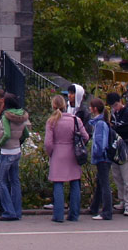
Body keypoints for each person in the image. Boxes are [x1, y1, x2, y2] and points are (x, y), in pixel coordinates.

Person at [45, 94, 89, 222]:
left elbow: (48, 142)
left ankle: (58, 215)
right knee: (75, 182)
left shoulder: (51, 121)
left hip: (58, 153)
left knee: (58, 183)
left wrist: (51, 152)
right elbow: (85, 136)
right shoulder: (75, 120)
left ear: (53, 106)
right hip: (73, 153)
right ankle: (74, 214)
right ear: (65, 106)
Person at [0, 92, 29, 222]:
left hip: (6, 152)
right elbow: (26, 133)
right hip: (16, 150)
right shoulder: (21, 116)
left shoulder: (6, 116)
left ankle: (9, 211)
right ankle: (17, 210)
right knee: (15, 181)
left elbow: (7, 134)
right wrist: (19, 142)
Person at [107, 92, 128, 216]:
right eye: (112, 106)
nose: (114, 108)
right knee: (117, 176)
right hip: (116, 148)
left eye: (116, 105)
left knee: (127, 178)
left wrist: (116, 129)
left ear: (121, 101)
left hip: (127, 148)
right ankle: (122, 200)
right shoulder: (114, 114)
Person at [88, 99, 113, 220]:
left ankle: (107, 211)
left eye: (91, 107)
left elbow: (99, 141)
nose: (89, 109)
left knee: (104, 184)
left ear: (95, 109)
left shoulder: (100, 123)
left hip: (102, 158)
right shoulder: (102, 122)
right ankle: (94, 206)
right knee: (100, 182)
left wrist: (96, 155)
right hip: (105, 157)